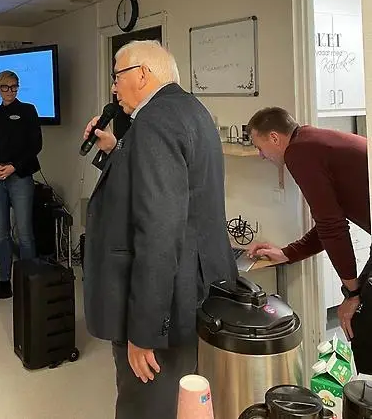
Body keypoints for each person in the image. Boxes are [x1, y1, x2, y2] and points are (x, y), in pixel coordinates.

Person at [82, 41, 236, 419]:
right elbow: (162, 186)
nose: (114, 88)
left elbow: (159, 231)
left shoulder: (153, 123)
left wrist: (145, 330)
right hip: (197, 289)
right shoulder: (189, 110)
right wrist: (115, 148)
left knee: (147, 406)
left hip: (165, 301)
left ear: (142, 74)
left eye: (117, 77)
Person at [246, 107, 372, 371]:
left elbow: (332, 227)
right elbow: (328, 222)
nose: (260, 155)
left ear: (274, 137)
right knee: (361, 319)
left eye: (259, 147)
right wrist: (287, 253)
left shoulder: (298, 152)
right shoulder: (310, 141)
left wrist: (352, 293)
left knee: (362, 320)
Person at [0, 70, 42, 305]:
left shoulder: (28, 111)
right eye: (5, 87)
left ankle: (30, 285)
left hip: (20, 177)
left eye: (14, 86)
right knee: (2, 234)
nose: (10, 91)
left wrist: (14, 166)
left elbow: (35, 145)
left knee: (25, 234)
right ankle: (4, 283)